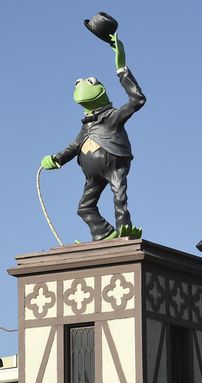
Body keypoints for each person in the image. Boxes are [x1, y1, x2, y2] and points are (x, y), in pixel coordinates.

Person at [40, 33, 146, 241]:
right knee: (84, 207)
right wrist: (56, 159)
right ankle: (103, 234)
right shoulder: (86, 126)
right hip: (92, 174)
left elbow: (137, 100)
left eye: (88, 82)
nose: (80, 85)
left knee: (119, 196)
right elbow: (73, 147)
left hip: (114, 161)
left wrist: (121, 68)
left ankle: (124, 229)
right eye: (78, 83)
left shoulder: (113, 116)